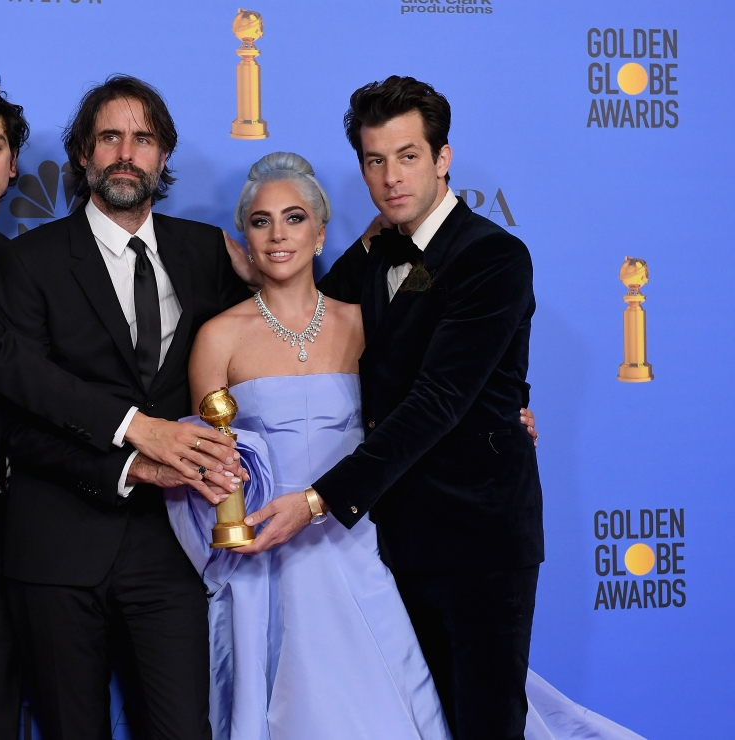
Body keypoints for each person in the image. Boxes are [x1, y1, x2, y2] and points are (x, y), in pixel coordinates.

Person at [170, 151, 641, 740]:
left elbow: (435, 402)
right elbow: (211, 458)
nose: (277, 234)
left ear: (321, 233)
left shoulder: (369, 322)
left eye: (293, 218)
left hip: (365, 541)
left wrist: (506, 414)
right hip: (267, 558)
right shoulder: (218, 336)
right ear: (246, 237)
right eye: (261, 221)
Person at [0, 73, 236, 740]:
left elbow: (281, 286)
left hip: (1, 542)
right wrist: (135, 431)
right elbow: (2, 362)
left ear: (13, 162)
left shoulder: (8, 258)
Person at [228, 77, 543, 739]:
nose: (391, 176)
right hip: (390, 541)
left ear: (443, 158)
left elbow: (440, 399)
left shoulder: (493, 255)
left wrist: (316, 501)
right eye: (375, 160)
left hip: (476, 539)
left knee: (484, 725)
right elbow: (303, 311)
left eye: (407, 156)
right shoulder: (374, 258)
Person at [0, 75, 251, 740]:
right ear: (82, 153)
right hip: (55, 550)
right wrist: (130, 466)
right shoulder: (29, 262)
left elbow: (294, 322)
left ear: (164, 155)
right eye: (110, 137)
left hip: (173, 551)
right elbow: (15, 419)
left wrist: (370, 252)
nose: (126, 153)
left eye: (143, 139)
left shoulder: (207, 251)